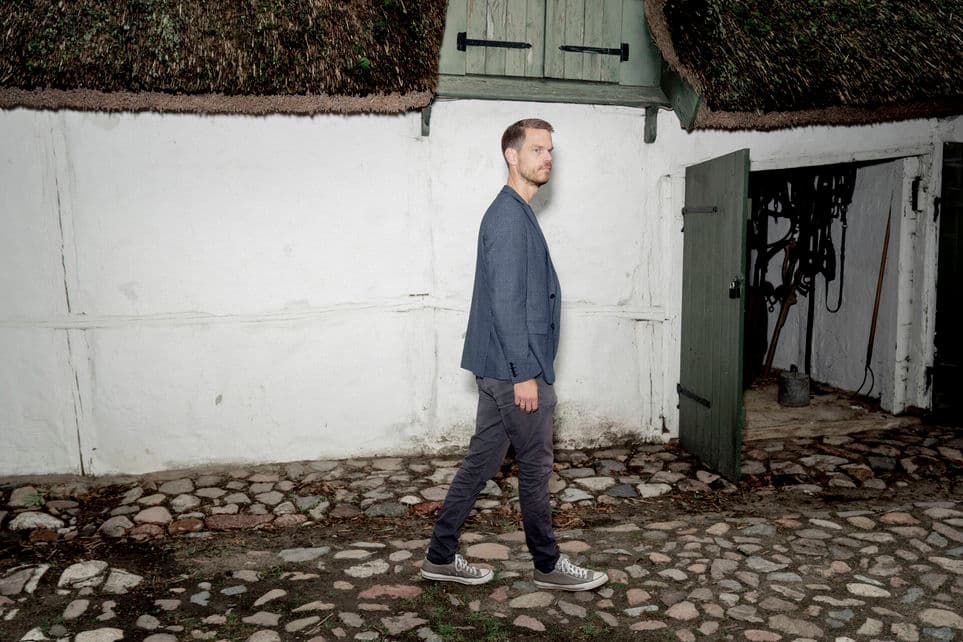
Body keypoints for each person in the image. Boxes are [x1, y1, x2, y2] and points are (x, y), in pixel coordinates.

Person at [420, 118, 609, 592]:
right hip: (516, 370)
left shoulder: (516, 212)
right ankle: (547, 565)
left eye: (550, 151)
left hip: (499, 368)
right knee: (536, 467)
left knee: (481, 463)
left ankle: (439, 556)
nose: (547, 158)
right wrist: (524, 373)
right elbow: (506, 303)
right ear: (512, 155)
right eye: (538, 149)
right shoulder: (507, 216)